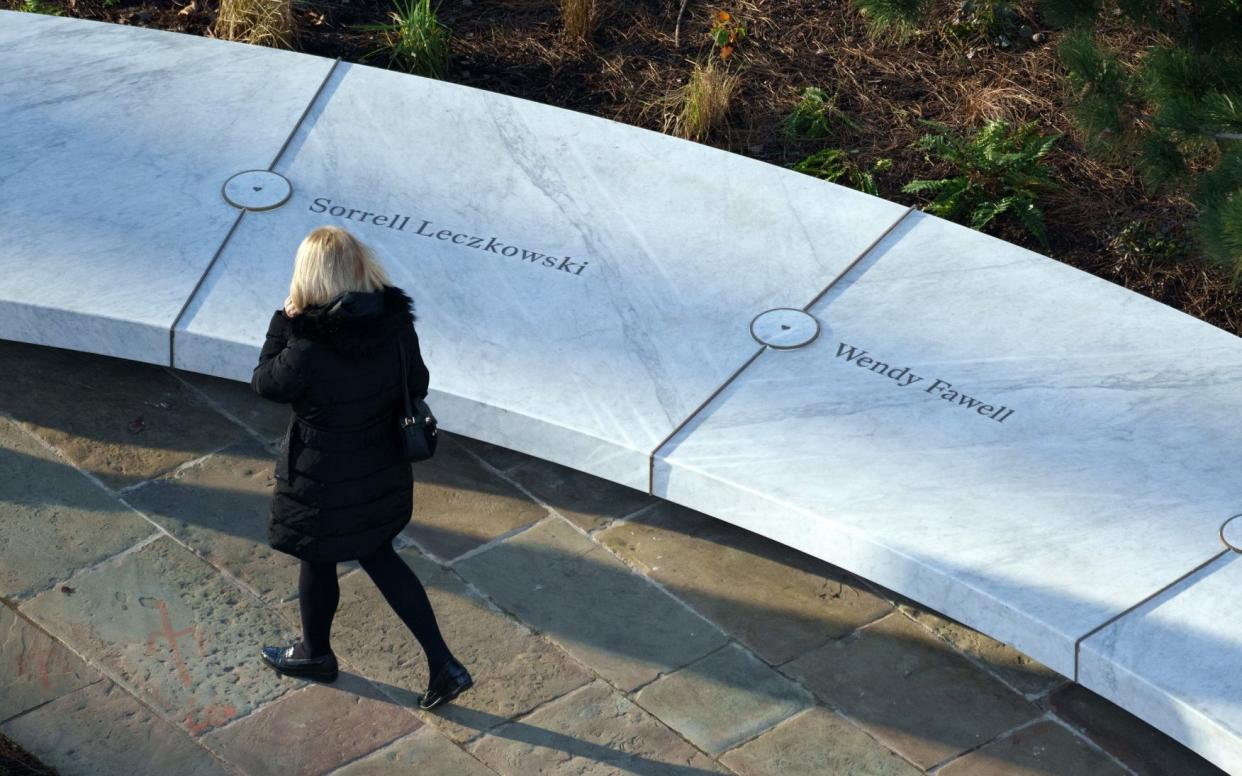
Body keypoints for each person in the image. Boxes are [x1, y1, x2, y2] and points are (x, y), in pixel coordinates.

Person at [251, 225, 472, 711]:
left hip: (323, 476)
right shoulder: (394, 325)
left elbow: (266, 382)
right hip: (380, 469)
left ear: (309, 277)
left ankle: (316, 654)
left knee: (318, 555)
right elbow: (418, 380)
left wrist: (285, 322)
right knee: (379, 555)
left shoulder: (307, 346)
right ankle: (444, 665)